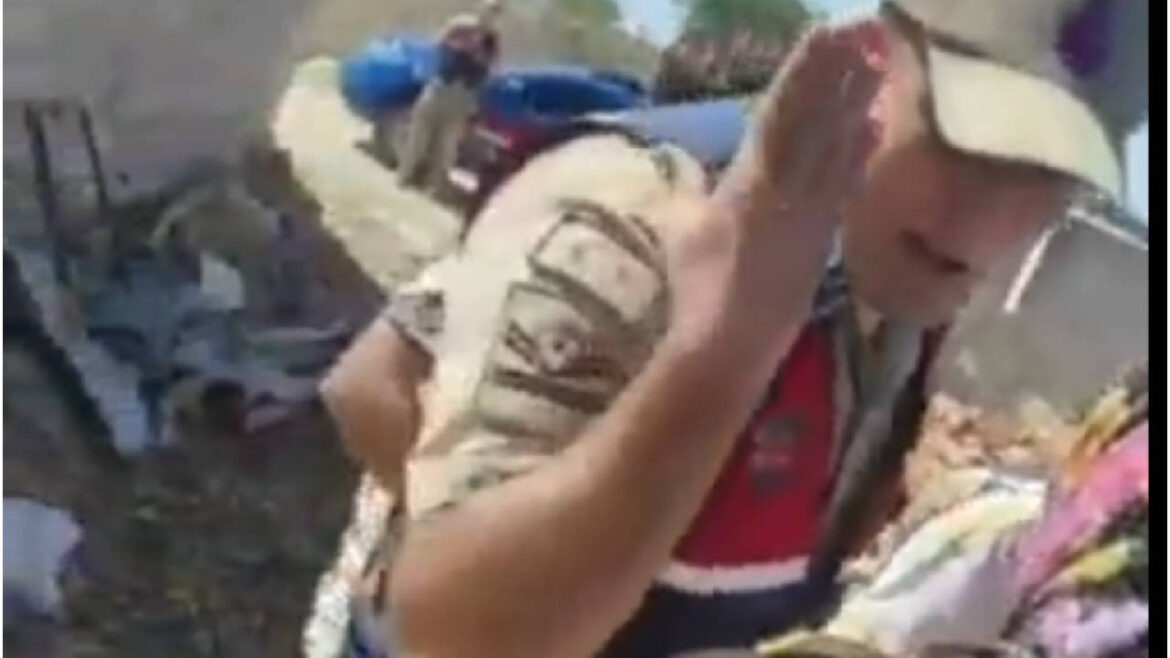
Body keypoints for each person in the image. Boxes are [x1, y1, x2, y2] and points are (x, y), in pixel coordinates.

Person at [320, 0, 1148, 655]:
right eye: (963, 140)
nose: (987, 219)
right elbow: (373, 398)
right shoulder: (639, 210)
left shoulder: (913, 287)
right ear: (875, 64)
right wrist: (722, 352)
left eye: (1047, 176)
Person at [398, 0, 502, 194]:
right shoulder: (461, 25)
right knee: (419, 134)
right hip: (442, 86)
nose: (490, 16)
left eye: (495, 13)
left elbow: (490, 67)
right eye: (488, 10)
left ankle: (434, 185)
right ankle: (405, 175)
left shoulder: (492, 41)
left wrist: (479, 60)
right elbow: (439, 43)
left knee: (448, 145)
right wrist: (460, 47)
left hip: (464, 94)